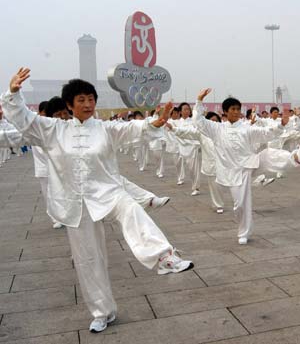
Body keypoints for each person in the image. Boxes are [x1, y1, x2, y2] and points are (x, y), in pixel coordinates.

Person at [1, 68, 193, 334]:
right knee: (88, 259)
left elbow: (131, 129)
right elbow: (24, 120)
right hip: (75, 203)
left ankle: (164, 256)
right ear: (69, 105)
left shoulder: (105, 129)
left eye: (91, 99)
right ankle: (102, 312)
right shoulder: (54, 130)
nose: (88, 104)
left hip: (107, 192)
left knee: (131, 210)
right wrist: (13, 93)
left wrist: (154, 123)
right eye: (81, 99)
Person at [192, 88, 300, 245]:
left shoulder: (246, 128)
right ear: (225, 111)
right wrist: (199, 101)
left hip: (251, 162)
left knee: (268, 154)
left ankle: (295, 157)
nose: (236, 112)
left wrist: (281, 126)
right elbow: (198, 122)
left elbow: (266, 133)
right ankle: (243, 232)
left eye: (238, 109)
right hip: (234, 172)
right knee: (240, 204)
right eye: (233, 109)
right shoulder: (217, 129)